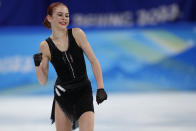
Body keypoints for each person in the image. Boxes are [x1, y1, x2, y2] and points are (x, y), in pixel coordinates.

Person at [33, 2, 107, 131]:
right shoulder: (45, 46)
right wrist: (37, 65)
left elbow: (93, 61)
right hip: (63, 94)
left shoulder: (77, 34)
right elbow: (43, 81)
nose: (64, 18)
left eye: (67, 15)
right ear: (50, 18)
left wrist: (100, 87)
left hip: (83, 90)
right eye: (60, 15)